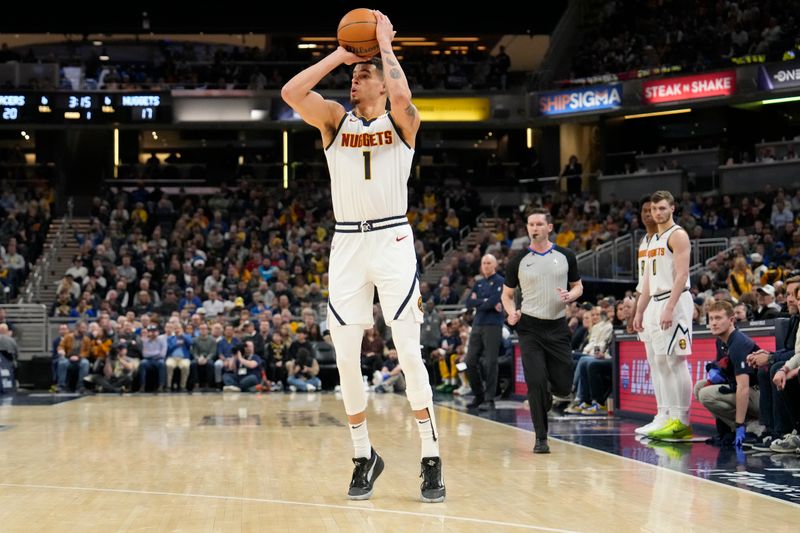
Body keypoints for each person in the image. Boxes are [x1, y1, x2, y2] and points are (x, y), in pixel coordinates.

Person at [281, 10, 444, 502]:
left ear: (382, 81)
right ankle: (362, 455)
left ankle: (431, 455)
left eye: (363, 73)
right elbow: (291, 94)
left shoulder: (403, 119)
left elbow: (401, 95)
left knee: (410, 353)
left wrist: (385, 47)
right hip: (348, 243)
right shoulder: (333, 118)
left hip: (393, 240)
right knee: (346, 357)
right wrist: (341, 54)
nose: (356, 78)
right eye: (354, 75)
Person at [502, 208, 583, 454]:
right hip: (529, 328)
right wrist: (511, 311)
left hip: (557, 327)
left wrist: (571, 295)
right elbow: (507, 294)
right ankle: (541, 438)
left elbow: (578, 286)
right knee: (535, 382)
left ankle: (550, 393)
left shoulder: (566, 255)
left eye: (539, 224)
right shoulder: (518, 260)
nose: (534, 228)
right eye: (530, 224)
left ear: (549, 227)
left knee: (562, 386)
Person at [634, 190, 694, 441]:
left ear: (672, 208)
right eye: (654, 208)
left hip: (675, 300)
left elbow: (681, 275)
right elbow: (647, 280)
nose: (657, 213)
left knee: (675, 361)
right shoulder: (655, 238)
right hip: (656, 302)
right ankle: (668, 417)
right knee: (661, 361)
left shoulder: (677, 235)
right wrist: (639, 310)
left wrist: (669, 306)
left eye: (661, 208)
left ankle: (682, 420)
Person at [694, 301, 760, 446]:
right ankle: (727, 430)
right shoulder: (720, 341)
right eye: (711, 319)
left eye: (718, 318)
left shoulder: (738, 343)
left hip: (759, 395)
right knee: (699, 387)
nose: (713, 323)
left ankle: (751, 427)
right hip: (744, 390)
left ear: (731, 320)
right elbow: (724, 373)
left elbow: (743, 388)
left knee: (706, 394)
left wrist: (739, 424)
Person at [630, 197, 668, 435]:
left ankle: (669, 415)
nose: (648, 214)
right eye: (644, 210)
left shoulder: (667, 238)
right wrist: (636, 310)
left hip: (663, 300)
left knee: (665, 362)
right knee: (654, 363)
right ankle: (660, 412)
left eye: (652, 210)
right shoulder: (644, 241)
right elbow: (642, 283)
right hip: (647, 302)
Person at [464, 254, 505, 411]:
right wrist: (484, 302)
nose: (486, 265)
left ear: (495, 265)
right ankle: (479, 395)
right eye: (483, 263)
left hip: (493, 325)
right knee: (469, 361)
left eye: (489, 263)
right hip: (478, 323)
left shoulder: (501, 281)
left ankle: (489, 399)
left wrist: (480, 302)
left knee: (490, 362)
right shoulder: (479, 283)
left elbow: (493, 301)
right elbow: (469, 303)